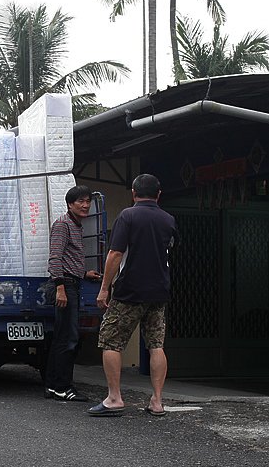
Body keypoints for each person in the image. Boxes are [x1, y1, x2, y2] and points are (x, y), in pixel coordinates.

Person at [88, 174, 177, 417]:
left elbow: (116, 254)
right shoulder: (168, 220)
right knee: (156, 344)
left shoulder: (128, 216)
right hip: (159, 291)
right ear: (158, 195)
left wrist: (105, 287)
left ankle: (114, 398)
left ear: (133, 193)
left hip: (130, 290)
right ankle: (157, 401)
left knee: (110, 340)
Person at [44, 184, 101, 401]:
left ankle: (52, 386)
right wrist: (60, 287)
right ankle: (62, 387)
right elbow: (55, 258)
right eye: (81, 201)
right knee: (68, 339)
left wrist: (85, 273)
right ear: (70, 204)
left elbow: (69, 258)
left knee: (62, 338)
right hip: (65, 285)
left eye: (88, 201)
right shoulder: (63, 224)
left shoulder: (76, 225)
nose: (85, 205)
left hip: (72, 282)